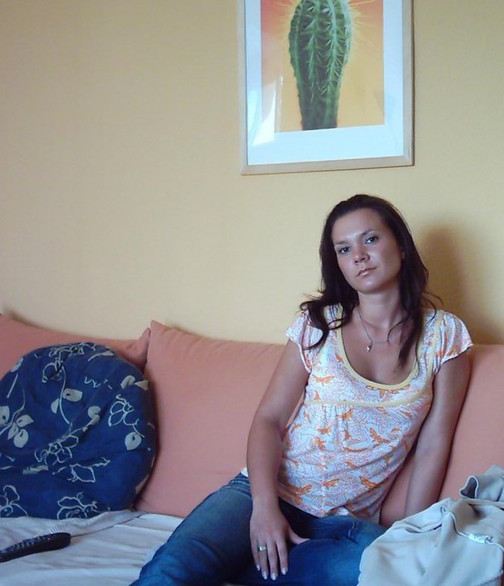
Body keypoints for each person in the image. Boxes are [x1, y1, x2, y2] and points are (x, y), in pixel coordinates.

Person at [133, 194, 472, 586]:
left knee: (381, 571)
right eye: (344, 249)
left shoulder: (445, 336)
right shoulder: (318, 325)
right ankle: (244, 558)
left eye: (371, 239)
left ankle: (243, 567)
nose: (359, 256)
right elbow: (269, 419)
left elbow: (433, 444)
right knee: (169, 573)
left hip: (344, 525)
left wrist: (410, 534)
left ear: (401, 245)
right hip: (261, 495)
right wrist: (263, 509)